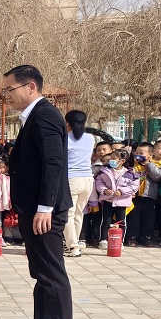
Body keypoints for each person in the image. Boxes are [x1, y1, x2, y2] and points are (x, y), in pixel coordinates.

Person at [2, 65, 75, 319]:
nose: (6, 95)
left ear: (30, 87)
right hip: (32, 209)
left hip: (45, 211)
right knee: (40, 271)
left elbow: (53, 165)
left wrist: (45, 207)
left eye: (10, 89)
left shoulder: (45, 115)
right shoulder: (34, 116)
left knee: (52, 273)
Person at [59, 110, 95, 257]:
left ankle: (73, 246)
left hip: (71, 179)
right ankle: (73, 244)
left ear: (67, 123)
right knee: (79, 213)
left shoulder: (65, 139)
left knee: (68, 214)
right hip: (87, 180)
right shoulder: (91, 138)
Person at [91, 150, 138, 248]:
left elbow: (134, 186)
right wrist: (104, 190)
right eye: (110, 158)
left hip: (122, 202)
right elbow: (99, 182)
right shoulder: (105, 171)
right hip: (108, 200)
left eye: (114, 159)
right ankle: (103, 240)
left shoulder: (129, 173)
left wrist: (122, 191)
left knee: (121, 222)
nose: (111, 161)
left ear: (122, 161)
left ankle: (119, 241)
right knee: (106, 221)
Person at [125, 141, 161, 246]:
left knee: (149, 218)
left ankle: (147, 237)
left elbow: (158, 177)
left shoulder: (156, 165)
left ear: (150, 155)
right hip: (135, 196)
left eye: (142, 153)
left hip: (149, 196)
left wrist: (148, 164)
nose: (138, 155)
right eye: (137, 152)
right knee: (134, 217)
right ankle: (132, 237)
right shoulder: (132, 165)